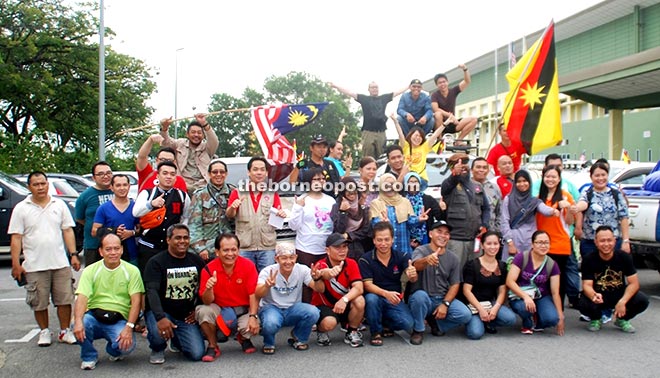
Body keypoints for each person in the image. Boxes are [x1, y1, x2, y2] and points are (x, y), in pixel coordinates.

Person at [9, 171, 80, 347]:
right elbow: (16, 237)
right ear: (29, 187)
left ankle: (65, 331)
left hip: (60, 263)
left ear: (48, 184)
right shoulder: (21, 208)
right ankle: (44, 331)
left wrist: (73, 255)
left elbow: (67, 230)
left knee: (65, 299)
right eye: (36, 184)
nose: (40, 187)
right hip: (34, 265)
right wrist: (16, 264)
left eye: (43, 183)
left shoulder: (59, 204)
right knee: (39, 301)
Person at [73, 233, 143, 370]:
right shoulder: (90, 271)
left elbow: (136, 301)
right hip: (94, 316)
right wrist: (78, 321)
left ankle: (112, 349)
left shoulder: (132, 271)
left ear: (122, 250)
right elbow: (82, 297)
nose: (113, 253)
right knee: (80, 324)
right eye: (108, 249)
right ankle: (89, 356)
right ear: (100, 251)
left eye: (116, 248)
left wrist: (129, 327)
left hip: (119, 318)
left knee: (126, 347)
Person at [143, 224, 206, 363]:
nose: (182, 241)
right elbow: (151, 292)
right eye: (177, 238)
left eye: (185, 238)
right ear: (168, 240)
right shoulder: (156, 262)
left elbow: (204, 288)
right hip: (162, 312)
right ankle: (157, 348)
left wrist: (197, 309)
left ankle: (177, 340)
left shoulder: (196, 261)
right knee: (157, 330)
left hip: (185, 315)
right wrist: (160, 318)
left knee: (197, 354)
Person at [195, 233, 260, 356]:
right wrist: (209, 288)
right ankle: (212, 345)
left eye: (233, 250)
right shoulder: (208, 269)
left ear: (238, 250)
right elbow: (207, 302)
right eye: (225, 250)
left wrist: (253, 317)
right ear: (217, 252)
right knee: (203, 311)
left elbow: (253, 295)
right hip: (219, 309)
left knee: (251, 328)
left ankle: (244, 338)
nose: (230, 254)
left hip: (242, 309)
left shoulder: (248, 266)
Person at [409, 221, 472, 345]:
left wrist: (446, 304)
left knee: (465, 315)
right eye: (439, 232)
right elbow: (416, 265)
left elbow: (455, 284)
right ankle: (418, 330)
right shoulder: (421, 250)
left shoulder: (453, 258)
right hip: (424, 297)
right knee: (419, 297)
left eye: (446, 233)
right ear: (430, 234)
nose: (443, 236)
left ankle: (436, 324)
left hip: (441, 298)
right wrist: (427, 260)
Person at [255, 243, 324, 354]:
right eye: (284, 258)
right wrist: (267, 286)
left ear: (296, 257)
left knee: (313, 312)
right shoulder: (268, 271)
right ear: (276, 259)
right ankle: (269, 342)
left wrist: (317, 279)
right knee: (270, 323)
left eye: (291, 258)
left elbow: (319, 289)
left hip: (293, 308)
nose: (288, 262)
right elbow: (258, 293)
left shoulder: (302, 269)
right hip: (271, 308)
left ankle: (298, 337)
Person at [580, 226, 649, 333]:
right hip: (600, 295)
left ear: (614, 241)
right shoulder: (589, 259)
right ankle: (596, 318)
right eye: (602, 241)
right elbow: (587, 285)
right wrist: (593, 295)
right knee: (582, 301)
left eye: (609, 240)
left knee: (642, 300)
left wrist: (623, 301)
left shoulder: (624, 257)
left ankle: (622, 319)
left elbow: (634, 284)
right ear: (596, 242)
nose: (606, 244)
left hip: (619, 293)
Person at [359, 222, 417, 346]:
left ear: (392, 240)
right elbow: (367, 285)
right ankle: (376, 332)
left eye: (387, 239)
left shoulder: (402, 256)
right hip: (375, 295)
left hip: (394, 299)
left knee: (408, 323)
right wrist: (386, 294)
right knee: (371, 299)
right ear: (374, 241)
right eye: (379, 240)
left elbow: (411, 276)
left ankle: (384, 323)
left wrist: (412, 274)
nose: (383, 244)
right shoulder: (365, 259)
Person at [226, 157, 286, 273]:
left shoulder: (272, 193)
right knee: (245, 279)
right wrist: (233, 207)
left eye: (262, 169)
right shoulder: (237, 192)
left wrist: (281, 214)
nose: (259, 172)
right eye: (255, 169)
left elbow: (278, 215)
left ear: (266, 172)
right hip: (244, 246)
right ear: (249, 172)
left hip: (267, 247)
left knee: (266, 280)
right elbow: (230, 215)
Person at [133, 161, 190, 273]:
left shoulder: (182, 196)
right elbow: (135, 212)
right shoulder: (147, 193)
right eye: (165, 173)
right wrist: (151, 204)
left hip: (171, 249)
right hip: (148, 247)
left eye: (172, 174)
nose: (169, 177)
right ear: (158, 176)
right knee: (148, 282)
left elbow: (186, 217)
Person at [289, 167, 336, 302]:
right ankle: (309, 312)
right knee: (307, 282)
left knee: (326, 280)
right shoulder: (302, 200)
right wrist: (298, 207)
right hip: (306, 248)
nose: (320, 182)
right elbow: (293, 226)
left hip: (325, 249)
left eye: (322, 179)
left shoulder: (330, 200)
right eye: (316, 179)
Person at [312, 233, 366, 348]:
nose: (342, 251)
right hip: (325, 305)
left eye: (344, 247)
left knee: (360, 300)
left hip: (343, 303)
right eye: (337, 247)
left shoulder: (351, 263)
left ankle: (352, 331)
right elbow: (323, 275)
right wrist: (324, 274)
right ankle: (321, 331)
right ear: (327, 250)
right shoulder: (320, 265)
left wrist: (345, 299)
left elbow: (359, 287)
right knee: (329, 323)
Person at [506, 231, 565, 335]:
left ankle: (537, 318)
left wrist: (560, 316)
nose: (543, 246)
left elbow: (555, 293)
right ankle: (527, 320)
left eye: (546, 243)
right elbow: (510, 281)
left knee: (552, 319)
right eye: (539, 242)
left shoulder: (552, 264)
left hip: (541, 296)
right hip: (521, 295)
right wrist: (526, 297)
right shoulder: (521, 257)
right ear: (532, 244)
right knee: (523, 308)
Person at [329, 81, 407, 158]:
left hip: (381, 132)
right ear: (369, 89)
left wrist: (408, 86)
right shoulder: (364, 99)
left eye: (376, 87)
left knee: (382, 156)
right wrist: (336, 86)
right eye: (372, 87)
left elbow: (397, 92)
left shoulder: (384, 98)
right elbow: (349, 92)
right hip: (368, 132)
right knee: (368, 156)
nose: (374, 89)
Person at [462, 231, 516, 340]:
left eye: (495, 244)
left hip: (490, 303)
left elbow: (502, 290)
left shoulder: (502, 265)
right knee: (475, 333)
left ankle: (489, 322)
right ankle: (476, 320)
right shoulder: (472, 265)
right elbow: (466, 291)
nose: (492, 247)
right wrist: (480, 309)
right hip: (473, 305)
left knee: (510, 319)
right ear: (482, 245)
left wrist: (496, 308)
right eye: (489, 244)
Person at [535, 165, 576, 306]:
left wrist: (568, 208)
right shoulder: (537, 198)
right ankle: (544, 312)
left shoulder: (565, 196)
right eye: (547, 176)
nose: (550, 179)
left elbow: (570, 221)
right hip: (541, 245)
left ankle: (558, 312)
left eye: (553, 177)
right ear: (543, 177)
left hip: (560, 244)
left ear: (559, 179)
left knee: (559, 280)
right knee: (541, 280)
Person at [441, 153, 490, 269]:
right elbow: (447, 185)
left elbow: (486, 208)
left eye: (465, 164)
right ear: (452, 168)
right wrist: (454, 175)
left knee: (474, 274)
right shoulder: (449, 185)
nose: (463, 167)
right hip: (456, 240)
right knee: (455, 274)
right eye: (459, 165)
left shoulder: (477, 186)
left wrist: (484, 225)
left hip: (475, 239)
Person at [575, 161, 630, 258]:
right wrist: (576, 208)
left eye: (603, 175)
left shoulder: (616, 194)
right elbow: (582, 205)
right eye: (597, 175)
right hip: (590, 242)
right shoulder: (587, 193)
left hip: (613, 242)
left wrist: (626, 241)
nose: (600, 178)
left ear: (607, 175)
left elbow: (624, 217)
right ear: (591, 177)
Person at [500, 170, 558, 261]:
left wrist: (553, 211)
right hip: (513, 241)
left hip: (529, 242)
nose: (522, 184)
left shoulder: (533, 201)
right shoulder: (508, 199)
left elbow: (544, 209)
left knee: (528, 270)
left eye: (525, 181)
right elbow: (504, 221)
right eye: (518, 181)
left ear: (529, 182)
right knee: (510, 269)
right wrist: (510, 242)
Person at [370, 173, 428, 257]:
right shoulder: (376, 203)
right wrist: (382, 223)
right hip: (385, 252)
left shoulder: (405, 201)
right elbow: (374, 224)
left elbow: (410, 223)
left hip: (404, 249)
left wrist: (419, 219)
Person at [160, 113, 219, 193]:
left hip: (203, 187)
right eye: (193, 132)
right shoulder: (179, 144)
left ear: (203, 135)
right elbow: (165, 142)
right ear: (187, 134)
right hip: (182, 186)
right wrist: (164, 128)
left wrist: (204, 124)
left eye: (199, 132)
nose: (196, 135)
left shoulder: (207, 147)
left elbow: (214, 141)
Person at [188, 159, 235, 262]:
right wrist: (200, 248)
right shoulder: (200, 195)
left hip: (228, 249)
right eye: (215, 172)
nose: (218, 175)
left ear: (226, 174)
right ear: (209, 174)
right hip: (207, 248)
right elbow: (194, 224)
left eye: (222, 172)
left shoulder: (233, 193)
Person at [91, 174, 139, 264]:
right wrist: (113, 231)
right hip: (110, 256)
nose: (122, 188)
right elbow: (94, 231)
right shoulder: (103, 208)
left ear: (129, 187)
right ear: (112, 188)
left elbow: (141, 229)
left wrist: (131, 233)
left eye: (125, 185)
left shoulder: (136, 207)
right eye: (118, 185)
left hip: (132, 255)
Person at [75, 161, 114, 266]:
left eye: (108, 173)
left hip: (115, 246)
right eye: (101, 174)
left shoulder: (118, 192)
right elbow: (79, 218)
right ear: (93, 178)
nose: (105, 176)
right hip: (93, 245)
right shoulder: (85, 196)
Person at [430, 65, 478, 140]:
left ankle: (459, 140)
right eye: (440, 83)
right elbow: (436, 109)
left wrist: (465, 69)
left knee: (474, 119)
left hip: (452, 124)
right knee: (438, 114)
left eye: (444, 82)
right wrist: (450, 116)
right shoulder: (434, 95)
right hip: (440, 124)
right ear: (437, 85)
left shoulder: (453, 91)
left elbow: (467, 81)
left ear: (447, 82)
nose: (442, 84)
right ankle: (440, 140)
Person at [392, 114, 444, 182]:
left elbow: (435, 135)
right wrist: (396, 122)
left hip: (422, 180)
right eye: (416, 135)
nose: (417, 138)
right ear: (410, 135)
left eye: (420, 136)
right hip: (407, 180)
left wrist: (446, 123)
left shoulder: (424, 147)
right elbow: (400, 134)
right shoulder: (405, 146)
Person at [331, 177, 373, 260]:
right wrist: (343, 212)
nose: (352, 192)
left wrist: (349, 235)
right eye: (348, 190)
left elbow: (366, 230)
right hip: (342, 248)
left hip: (361, 248)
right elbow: (338, 230)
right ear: (343, 192)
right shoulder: (337, 206)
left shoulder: (362, 207)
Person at [403, 172, 443, 248]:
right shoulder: (401, 200)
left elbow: (439, 217)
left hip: (425, 238)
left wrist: (443, 209)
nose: (413, 184)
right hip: (406, 238)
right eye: (411, 182)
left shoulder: (428, 199)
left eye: (416, 182)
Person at [472, 157, 502, 233]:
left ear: (488, 170)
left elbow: (500, 212)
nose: (481, 170)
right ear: (471, 170)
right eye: (478, 167)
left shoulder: (494, 188)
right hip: (472, 232)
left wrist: (496, 230)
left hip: (491, 232)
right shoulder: (466, 187)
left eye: (484, 168)